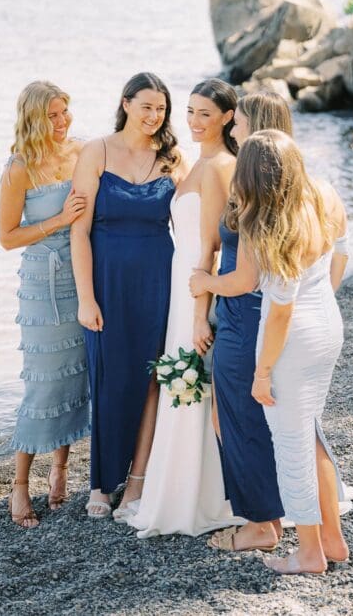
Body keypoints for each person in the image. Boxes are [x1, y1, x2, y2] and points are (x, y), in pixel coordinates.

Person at [233, 129, 350, 575]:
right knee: (312, 435)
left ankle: (308, 553)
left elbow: (280, 313)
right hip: (327, 324)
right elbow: (341, 249)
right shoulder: (318, 196)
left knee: (291, 445)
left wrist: (262, 373)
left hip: (294, 339)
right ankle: (332, 540)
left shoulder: (272, 226)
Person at [70, 72, 186, 519]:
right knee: (109, 375)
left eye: (161, 109)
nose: (155, 116)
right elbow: (78, 234)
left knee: (151, 376)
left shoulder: (173, 158)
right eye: (147, 107)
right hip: (107, 281)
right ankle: (101, 482)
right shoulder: (96, 151)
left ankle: (137, 481)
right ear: (126, 104)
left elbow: (200, 207)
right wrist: (86, 298)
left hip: (160, 278)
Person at [128, 79, 240, 537]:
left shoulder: (219, 167)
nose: (193, 121)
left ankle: (196, 493)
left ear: (228, 118)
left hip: (195, 288)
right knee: (180, 382)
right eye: (190, 112)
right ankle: (177, 484)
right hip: (181, 284)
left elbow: (213, 247)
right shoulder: (201, 162)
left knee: (188, 380)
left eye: (205, 115)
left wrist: (200, 314)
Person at [187, 89, 294, 551]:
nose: (232, 128)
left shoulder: (256, 195)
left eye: (239, 121)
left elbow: (245, 279)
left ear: (258, 125)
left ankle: (258, 527)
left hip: (243, 317)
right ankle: (270, 516)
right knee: (243, 419)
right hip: (247, 318)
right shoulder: (278, 183)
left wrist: (203, 283)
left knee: (237, 420)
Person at [0, 81, 89, 528]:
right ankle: (18, 485)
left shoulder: (82, 153)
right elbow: (7, 237)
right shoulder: (19, 168)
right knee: (43, 383)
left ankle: (60, 470)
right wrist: (57, 220)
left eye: (65, 112)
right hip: (43, 282)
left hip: (83, 274)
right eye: (52, 115)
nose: (62, 122)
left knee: (74, 376)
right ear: (33, 118)